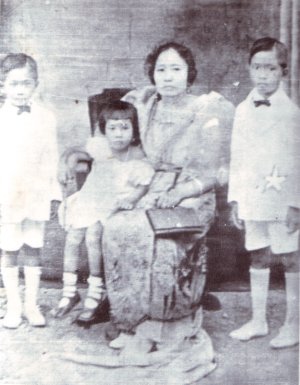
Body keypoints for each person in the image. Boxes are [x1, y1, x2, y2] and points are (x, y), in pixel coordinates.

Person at [80, 42, 234, 382]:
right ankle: (130, 321)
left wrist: (180, 192)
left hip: (190, 192)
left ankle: (163, 325)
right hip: (147, 185)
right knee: (119, 227)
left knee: (159, 238)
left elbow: (212, 172)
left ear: (189, 73)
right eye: (161, 69)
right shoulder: (144, 104)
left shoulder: (209, 110)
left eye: (176, 69)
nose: (168, 77)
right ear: (152, 73)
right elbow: (109, 140)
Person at [52, 100, 154, 325]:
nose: (119, 135)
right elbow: (75, 153)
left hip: (112, 204)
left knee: (92, 237)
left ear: (134, 129)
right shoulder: (99, 146)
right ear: (103, 130)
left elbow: (144, 183)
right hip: (90, 199)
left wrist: (131, 198)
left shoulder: (137, 155)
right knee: (73, 238)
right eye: (113, 128)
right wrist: (66, 164)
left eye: (125, 128)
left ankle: (95, 293)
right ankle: (69, 292)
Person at [228, 37, 300, 349]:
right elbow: (237, 155)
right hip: (253, 196)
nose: (263, 74)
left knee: (288, 256)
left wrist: (297, 203)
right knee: (258, 254)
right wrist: (235, 197)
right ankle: (259, 320)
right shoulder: (243, 109)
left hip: (281, 197)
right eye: (257, 67)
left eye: (270, 68)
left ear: (283, 70)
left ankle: (293, 324)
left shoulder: (292, 113)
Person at [0, 53, 61, 328]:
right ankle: (13, 306)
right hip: (7, 194)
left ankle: (31, 305)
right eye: (14, 84)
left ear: (36, 84)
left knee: (33, 247)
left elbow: (51, 158)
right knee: (10, 249)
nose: (20, 90)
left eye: (26, 83)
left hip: (36, 193)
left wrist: (53, 194)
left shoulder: (46, 118)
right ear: (3, 86)